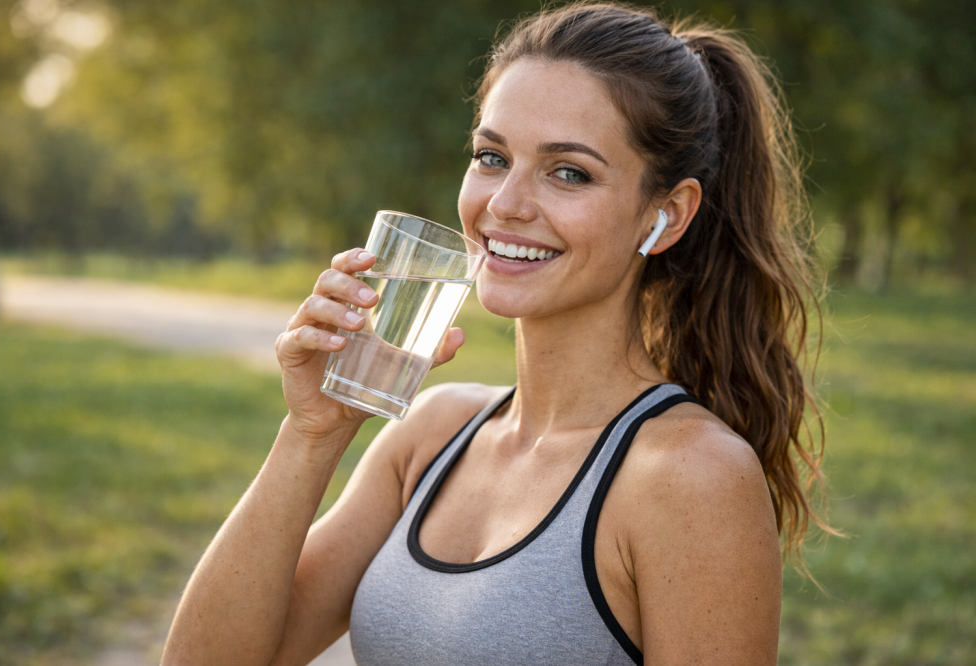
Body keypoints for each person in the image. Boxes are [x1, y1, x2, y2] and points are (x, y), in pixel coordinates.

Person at [162, 3, 830, 664]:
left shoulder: (692, 476)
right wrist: (313, 433)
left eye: (568, 172)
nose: (504, 204)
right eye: (491, 156)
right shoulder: (432, 435)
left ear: (668, 215)